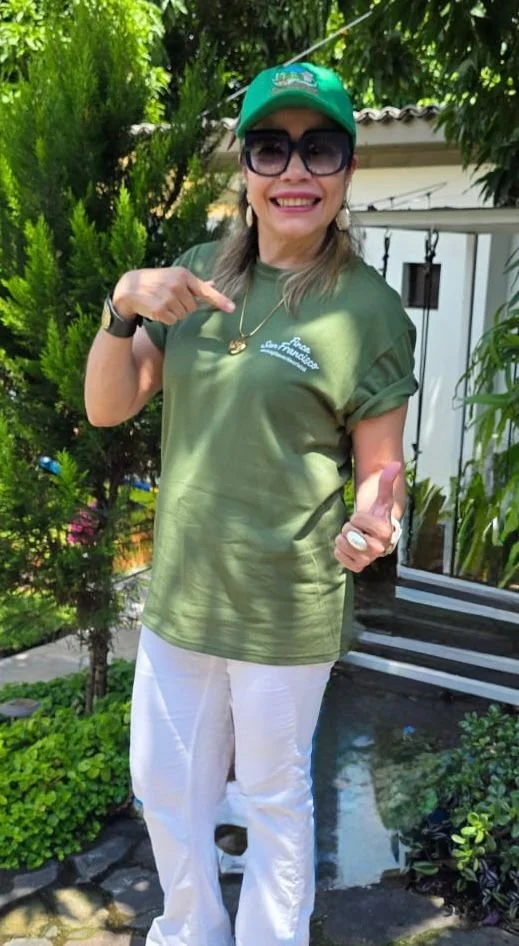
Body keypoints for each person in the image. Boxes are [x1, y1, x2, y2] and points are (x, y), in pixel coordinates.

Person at [85, 61, 418, 946]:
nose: (295, 171)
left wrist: (375, 517)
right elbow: (108, 406)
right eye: (271, 148)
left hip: (285, 603)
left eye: (320, 149)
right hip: (181, 597)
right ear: (246, 168)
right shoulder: (192, 275)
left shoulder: (370, 310)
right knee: (163, 786)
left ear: (347, 169)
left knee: (272, 801)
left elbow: (382, 471)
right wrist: (121, 306)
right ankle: (191, 931)